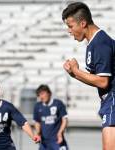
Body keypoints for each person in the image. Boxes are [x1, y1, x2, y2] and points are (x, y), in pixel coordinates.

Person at [62, 2, 115, 150]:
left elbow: (103, 82)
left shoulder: (100, 43)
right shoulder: (93, 43)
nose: (69, 31)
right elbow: (98, 81)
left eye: (71, 26)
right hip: (109, 102)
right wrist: (74, 74)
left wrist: (77, 71)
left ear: (83, 23)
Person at [33, 84, 69, 150]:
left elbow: (65, 119)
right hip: (44, 142)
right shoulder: (37, 106)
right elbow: (37, 122)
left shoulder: (58, 103)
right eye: (39, 95)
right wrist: (38, 133)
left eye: (42, 94)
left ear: (49, 93)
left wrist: (60, 133)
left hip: (57, 140)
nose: (41, 97)